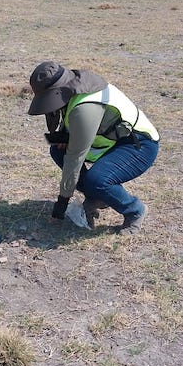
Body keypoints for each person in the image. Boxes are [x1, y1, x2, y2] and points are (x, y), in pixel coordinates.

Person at [27, 61, 160, 235]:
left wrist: (61, 205)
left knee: (97, 180)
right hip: (112, 141)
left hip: (139, 144)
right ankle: (97, 197)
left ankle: (135, 210)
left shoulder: (85, 108)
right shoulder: (74, 90)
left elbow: (75, 159)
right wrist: (64, 137)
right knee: (58, 150)